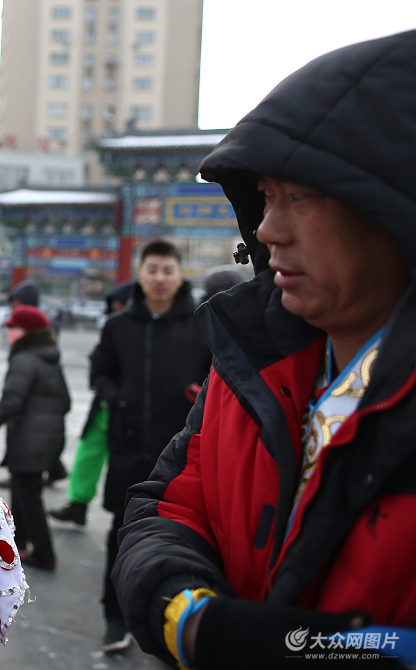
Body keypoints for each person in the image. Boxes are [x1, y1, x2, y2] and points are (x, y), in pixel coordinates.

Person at [113, 31, 416, 670]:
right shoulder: (251, 362)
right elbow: (167, 504)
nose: (268, 231)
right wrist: (192, 618)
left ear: (390, 206)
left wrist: (335, 652)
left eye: (299, 198)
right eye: (265, 198)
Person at [91, 239, 212, 653]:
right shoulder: (119, 326)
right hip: (129, 448)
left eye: (168, 270)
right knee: (121, 532)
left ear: (180, 277)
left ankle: (175, 620)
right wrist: (118, 398)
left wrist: (202, 398)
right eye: (153, 270)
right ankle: (115, 615)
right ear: (140, 276)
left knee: (186, 535)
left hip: (185, 457)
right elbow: (100, 372)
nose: (160, 278)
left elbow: (220, 380)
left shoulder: (201, 324)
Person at [0, 304, 70, 570]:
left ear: (26, 332)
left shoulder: (24, 359)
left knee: (28, 495)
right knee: (23, 490)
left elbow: (11, 402)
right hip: (47, 438)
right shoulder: (48, 355)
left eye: (13, 329)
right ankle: (18, 542)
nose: (8, 334)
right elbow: (65, 402)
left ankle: (44, 553)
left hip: (30, 439)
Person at [52, 281, 134, 527]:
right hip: (105, 408)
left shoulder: (143, 331)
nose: (115, 309)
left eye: (119, 304)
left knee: (128, 465)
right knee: (87, 455)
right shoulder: (115, 328)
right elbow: (99, 360)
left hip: (132, 412)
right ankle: (78, 504)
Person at [5, 281, 68, 487]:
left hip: (36, 405)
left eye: (18, 303)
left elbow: (12, 400)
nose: (14, 308)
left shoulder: (38, 331)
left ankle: (53, 469)